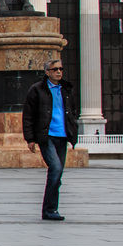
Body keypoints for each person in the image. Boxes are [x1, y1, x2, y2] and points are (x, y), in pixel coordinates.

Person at [22, 58, 77, 221]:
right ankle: (50, 209)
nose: (59, 72)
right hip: (47, 136)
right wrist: (30, 139)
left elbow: (71, 111)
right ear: (47, 72)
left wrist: (73, 131)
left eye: (61, 69)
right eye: (55, 69)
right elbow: (28, 115)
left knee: (57, 173)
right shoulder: (37, 89)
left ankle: (51, 209)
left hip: (62, 135)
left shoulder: (66, 89)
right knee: (56, 168)